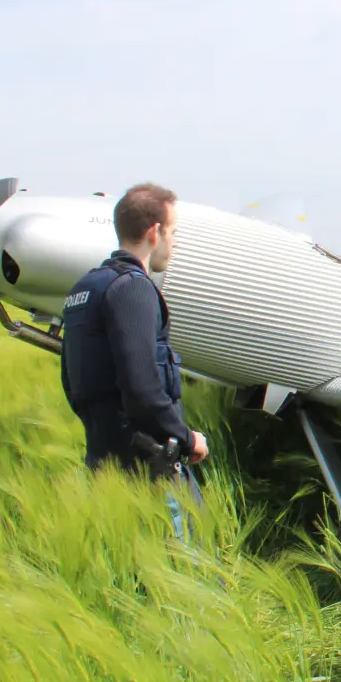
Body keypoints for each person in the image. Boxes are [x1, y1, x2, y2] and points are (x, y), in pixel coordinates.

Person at [60, 183, 208, 536]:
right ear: (155, 232)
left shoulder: (85, 288)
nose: (174, 243)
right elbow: (142, 388)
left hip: (103, 466)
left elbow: (72, 381)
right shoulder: (133, 288)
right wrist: (187, 440)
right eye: (172, 232)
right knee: (188, 575)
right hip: (150, 471)